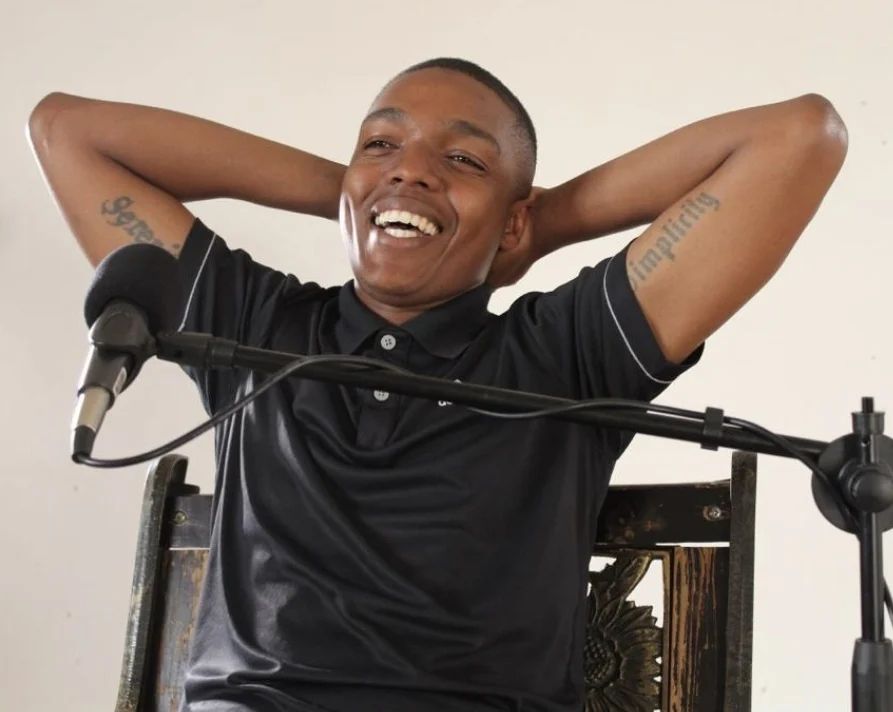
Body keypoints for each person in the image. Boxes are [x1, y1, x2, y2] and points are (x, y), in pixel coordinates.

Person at [28, 58, 847, 712]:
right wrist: (363, 192)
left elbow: (799, 136)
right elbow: (67, 130)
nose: (412, 170)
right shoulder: (251, 327)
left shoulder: (568, 352)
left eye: (461, 159)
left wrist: (537, 224)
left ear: (512, 216)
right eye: (380, 143)